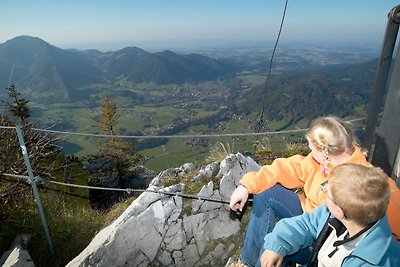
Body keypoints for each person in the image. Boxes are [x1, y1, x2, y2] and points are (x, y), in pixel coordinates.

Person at [229, 116, 400, 267]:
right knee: (267, 194)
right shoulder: (318, 163)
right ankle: (248, 262)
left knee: (282, 251)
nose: (310, 153)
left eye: (312, 149)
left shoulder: (372, 185)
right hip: (312, 222)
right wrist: (246, 186)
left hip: (325, 240)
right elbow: (290, 167)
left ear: (325, 153)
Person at [261, 164, 400, 267]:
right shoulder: (345, 215)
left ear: (339, 211)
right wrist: (278, 243)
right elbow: (306, 224)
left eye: (326, 191)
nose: (323, 189)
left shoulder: (371, 262)